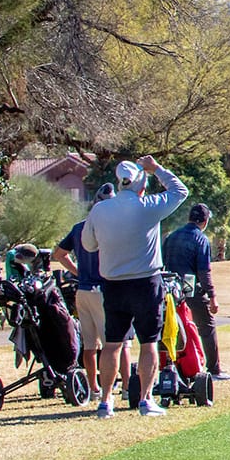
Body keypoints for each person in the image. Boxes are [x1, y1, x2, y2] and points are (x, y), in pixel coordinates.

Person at [81, 156, 188, 418]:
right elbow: (180, 191)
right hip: (145, 283)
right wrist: (157, 169)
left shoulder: (100, 210)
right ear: (142, 184)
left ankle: (105, 401)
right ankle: (145, 400)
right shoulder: (148, 206)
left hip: (113, 284)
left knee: (112, 344)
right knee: (149, 343)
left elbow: (88, 245)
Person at [51, 184, 129, 395]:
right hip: (104, 290)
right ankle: (125, 387)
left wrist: (78, 272)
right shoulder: (114, 228)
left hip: (83, 291)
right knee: (117, 343)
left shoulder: (80, 228)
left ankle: (94, 388)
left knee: (89, 345)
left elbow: (58, 254)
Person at [163, 202, 230, 381]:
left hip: (170, 290)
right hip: (191, 289)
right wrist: (212, 296)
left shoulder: (172, 237)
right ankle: (214, 370)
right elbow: (204, 271)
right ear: (205, 221)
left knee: (174, 328)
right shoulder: (201, 239)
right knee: (206, 327)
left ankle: (174, 368)